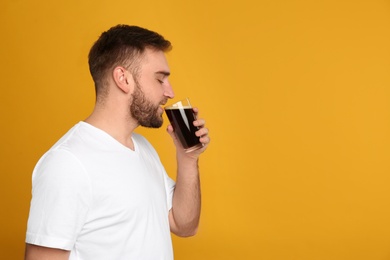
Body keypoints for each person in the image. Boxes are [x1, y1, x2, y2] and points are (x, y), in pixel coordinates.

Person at [24, 24, 210, 260]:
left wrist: (188, 158)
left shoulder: (143, 149)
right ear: (123, 79)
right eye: (160, 79)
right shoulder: (68, 163)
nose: (170, 92)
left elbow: (184, 225)